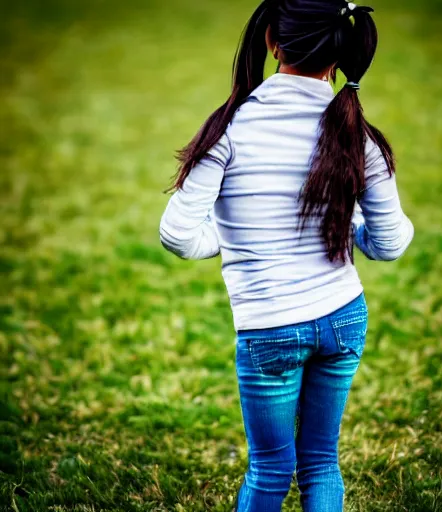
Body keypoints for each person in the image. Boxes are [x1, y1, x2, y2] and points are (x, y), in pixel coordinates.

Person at [159, 0, 414, 510]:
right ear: (340, 54)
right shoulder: (356, 133)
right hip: (343, 319)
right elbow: (390, 243)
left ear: (273, 40)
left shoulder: (231, 128)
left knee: (271, 468)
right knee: (322, 461)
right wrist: (353, 229)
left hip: (268, 327)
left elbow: (178, 234)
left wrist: (235, 240)